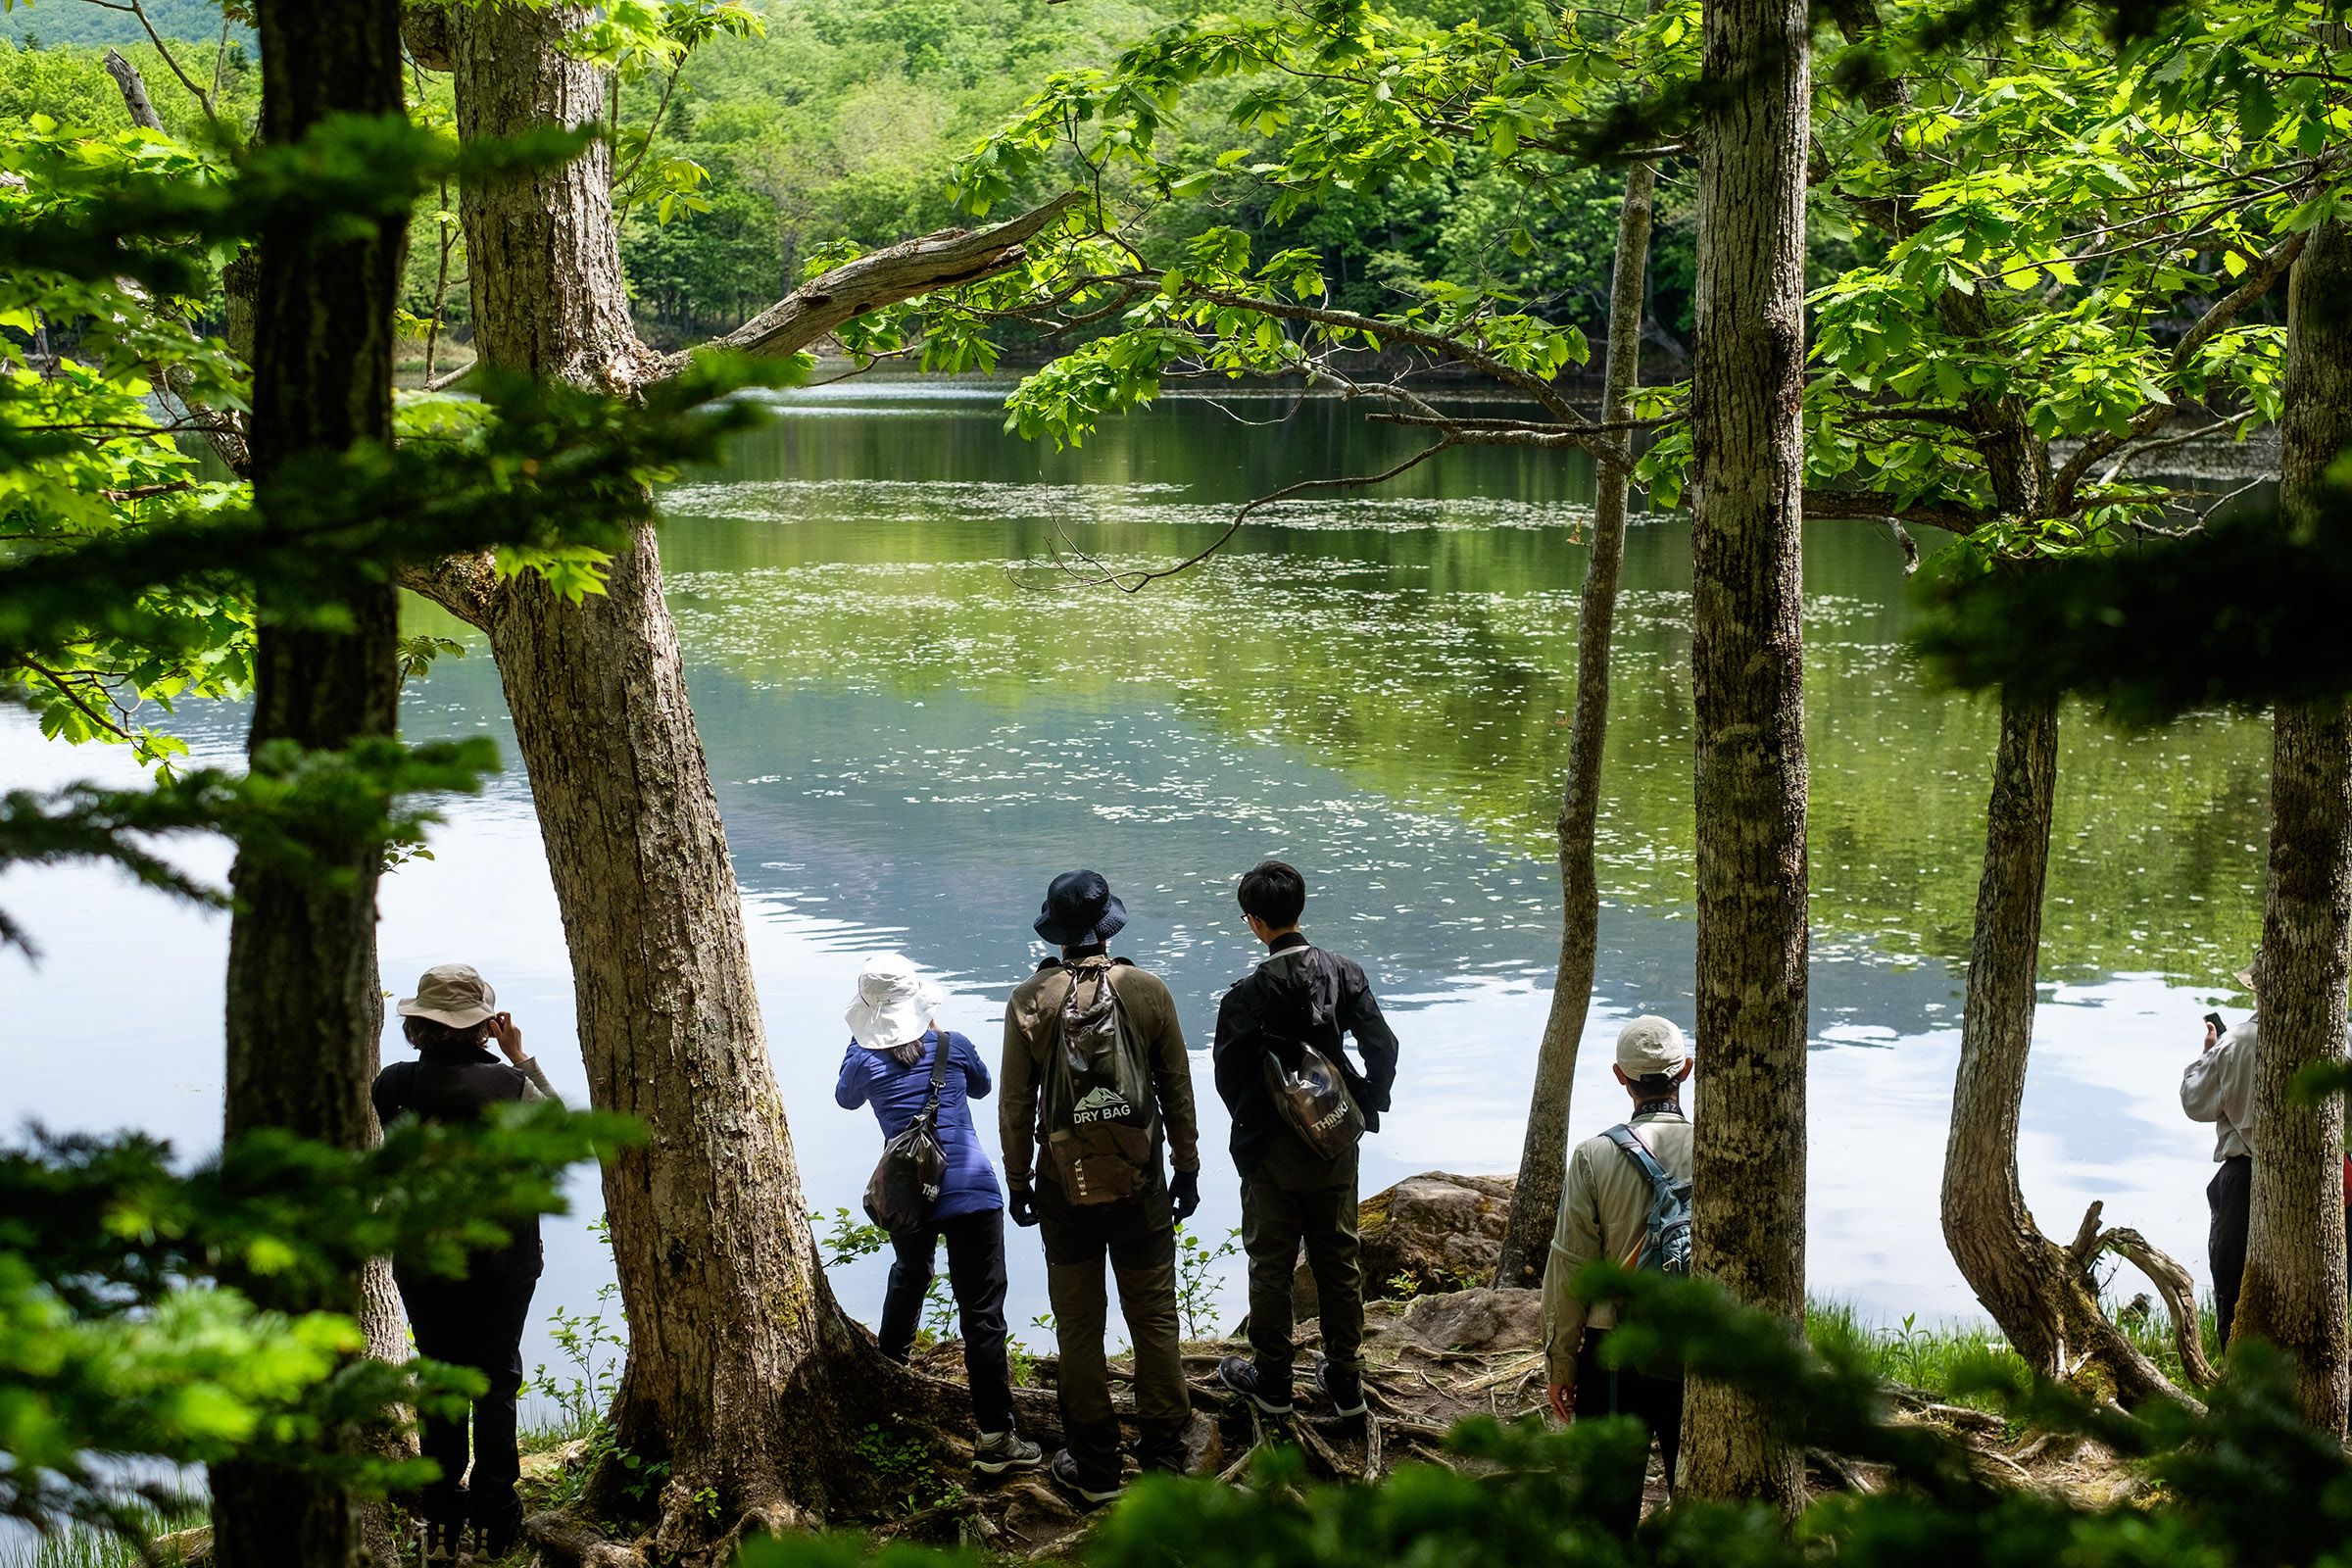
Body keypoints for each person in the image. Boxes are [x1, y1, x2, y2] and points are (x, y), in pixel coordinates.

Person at [1000, 869, 1202, 1504]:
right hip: (1141, 1186)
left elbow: (1013, 1107)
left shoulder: (1029, 1001)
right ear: (1107, 925)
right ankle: (1166, 1458)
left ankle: (1096, 1469)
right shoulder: (1147, 990)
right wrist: (1188, 1168)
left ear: (1056, 933)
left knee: (1079, 1328)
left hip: (1065, 1189)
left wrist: (1019, 1181)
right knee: (1154, 1318)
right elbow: (1176, 1090)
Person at [371, 963, 562, 1561]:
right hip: (504, 1259)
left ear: (419, 1025)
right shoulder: (510, 1088)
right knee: (496, 1379)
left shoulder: (393, 1084)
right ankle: (496, 1515)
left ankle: (442, 1515)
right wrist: (520, 1057)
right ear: (485, 1023)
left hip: (425, 1255)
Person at [836, 953, 1042, 1477]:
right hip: (972, 1189)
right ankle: (996, 1437)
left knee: (911, 1272)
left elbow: (844, 1100)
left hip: (910, 1194)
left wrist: (862, 1042)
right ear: (919, 1004)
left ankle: (891, 1372)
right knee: (982, 1314)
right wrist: (935, 1037)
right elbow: (981, 1087)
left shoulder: (862, 1060)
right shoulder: (953, 1045)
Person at [1210, 858, 1398, 1419]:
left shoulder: (1244, 995)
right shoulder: (1344, 972)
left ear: (1253, 922)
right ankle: (1345, 1380)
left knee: (1270, 1261)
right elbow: (1381, 1046)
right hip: (1336, 1138)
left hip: (1270, 1148)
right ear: (1300, 908)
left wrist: (1256, 1124)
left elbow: (1228, 1074)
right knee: (1338, 1255)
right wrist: (1366, 1102)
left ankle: (1271, 1382)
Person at [1541, 1015, 1695, 1536]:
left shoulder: (1594, 1156)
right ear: (1687, 1072)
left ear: (1619, 1077)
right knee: (1697, 1501)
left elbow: (1570, 1269)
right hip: (1698, 1352)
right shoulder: (1723, 1149)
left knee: (1606, 1512)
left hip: (1613, 1355)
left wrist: (1560, 1362)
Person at [2182, 962, 2261, 1349]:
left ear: (2257, 989)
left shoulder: (2237, 1043)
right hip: (2327, 1176)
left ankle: (2234, 1367)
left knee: (2233, 1286)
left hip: (2245, 1178)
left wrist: (2207, 1056)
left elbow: (2195, 1102)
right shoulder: (2337, 1038)